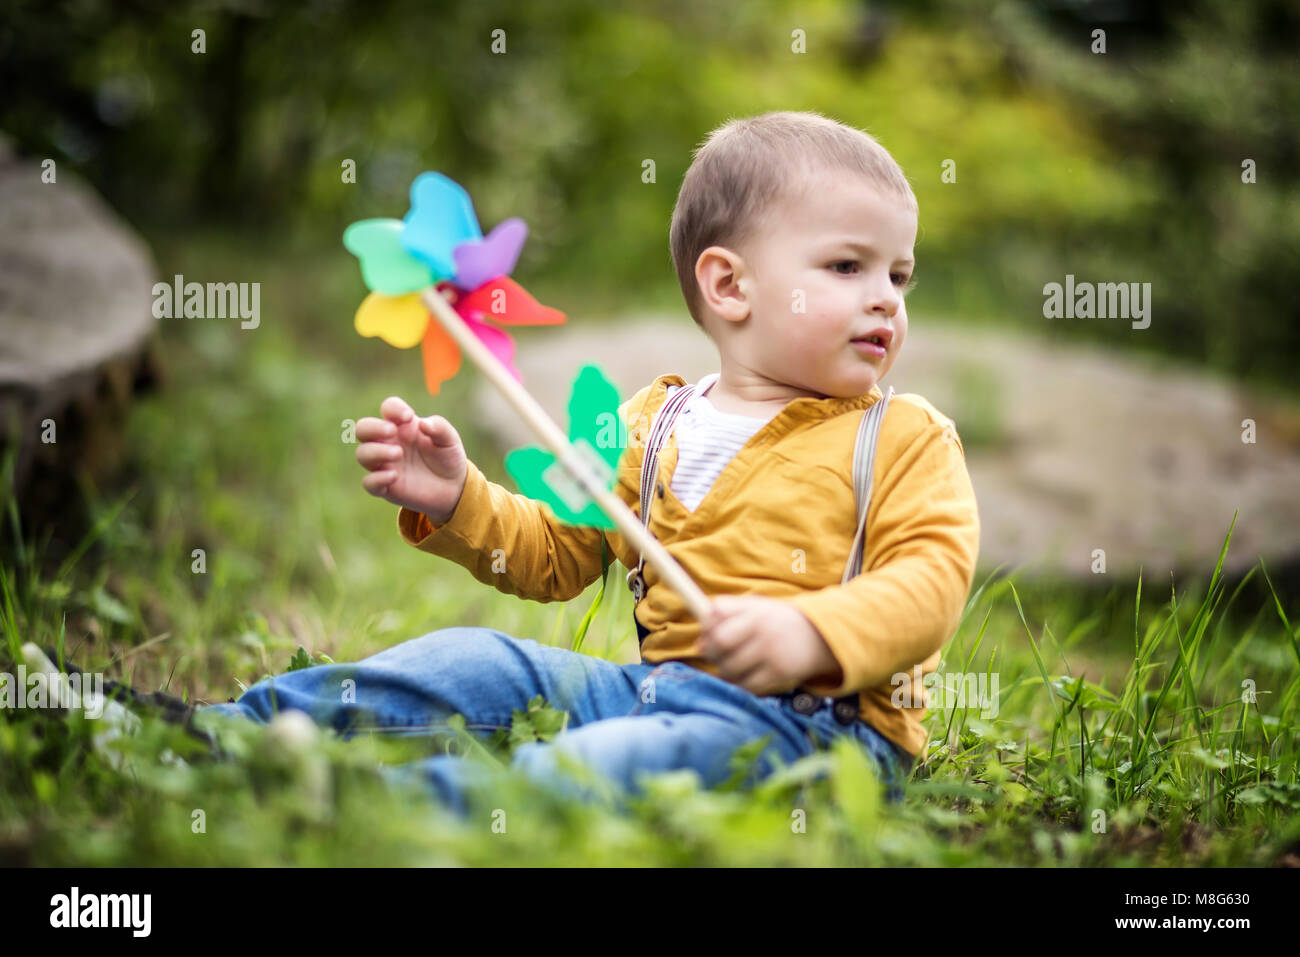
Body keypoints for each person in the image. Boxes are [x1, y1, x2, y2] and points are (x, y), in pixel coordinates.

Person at [196, 109, 981, 818]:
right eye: (849, 267)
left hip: (812, 729)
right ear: (729, 284)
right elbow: (555, 554)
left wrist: (813, 633)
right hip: (648, 692)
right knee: (474, 659)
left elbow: (931, 582)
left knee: (609, 763)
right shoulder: (649, 422)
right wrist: (459, 499)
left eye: (898, 274)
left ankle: (370, 801)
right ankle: (223, 731)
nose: (886, 298)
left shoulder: (905, 437)